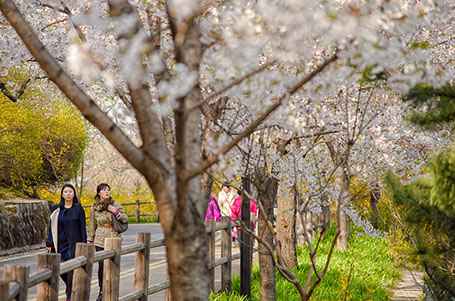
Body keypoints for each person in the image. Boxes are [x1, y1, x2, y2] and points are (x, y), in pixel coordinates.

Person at [46, 184, 87, 301]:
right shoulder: (56, 209)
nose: (68, 194)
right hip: (59, 243)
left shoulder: (78, 208)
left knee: (71, 270)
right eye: (66, 192)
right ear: (62, 194)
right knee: (60, 269)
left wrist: (84, 245)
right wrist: (49, 242)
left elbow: (82, 228)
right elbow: (51, 227)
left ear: (74, 194)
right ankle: (70, 288)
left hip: (74, 243)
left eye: (70, 192)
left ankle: (69, 296)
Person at [87, 183, 128, 301]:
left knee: (113, 266)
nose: (107, 192)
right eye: (104, 190)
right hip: (100, 240)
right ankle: (102, 291)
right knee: (101, 266)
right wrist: (90, 240)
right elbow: (92, 225)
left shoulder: (115, 204)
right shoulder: (94, 207)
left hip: (114, 238)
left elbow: (125, 218)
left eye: (108, 190)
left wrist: (115, 211)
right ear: (99, 192)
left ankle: (113, 290)